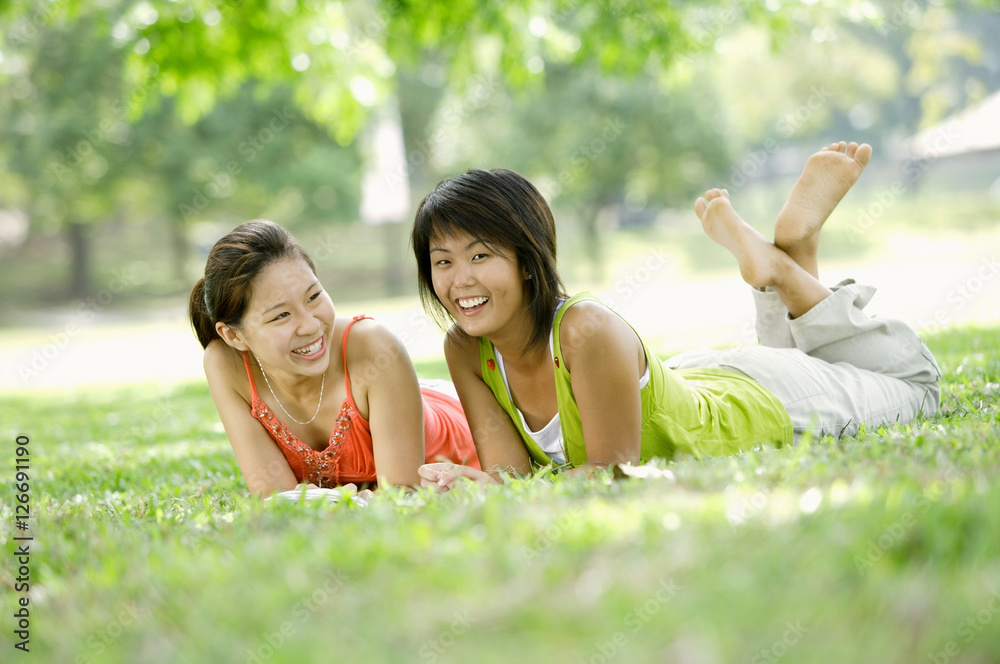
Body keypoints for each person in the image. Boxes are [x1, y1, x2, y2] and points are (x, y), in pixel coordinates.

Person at [410, 142, 941, 491]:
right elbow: (513, 476)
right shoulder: (466, 348)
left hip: (765, 405)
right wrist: (484, 486)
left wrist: (498, 488)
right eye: (443, 262)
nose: (461, 281)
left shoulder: (585, 330)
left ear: (528, 260)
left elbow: (614, 473)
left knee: (916, 387)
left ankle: (781, 270)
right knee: (813, 360)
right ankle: (794, 254)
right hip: (703, 380)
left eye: (481, 256)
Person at [189, 219, 480, 498]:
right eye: (281, 315)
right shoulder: (225, 364)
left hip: (454, 428)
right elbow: (274, 496)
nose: (312, 325)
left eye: (313, 297)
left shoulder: (373, 345)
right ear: (233, 336)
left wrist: (327, 502)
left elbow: (401, 494)